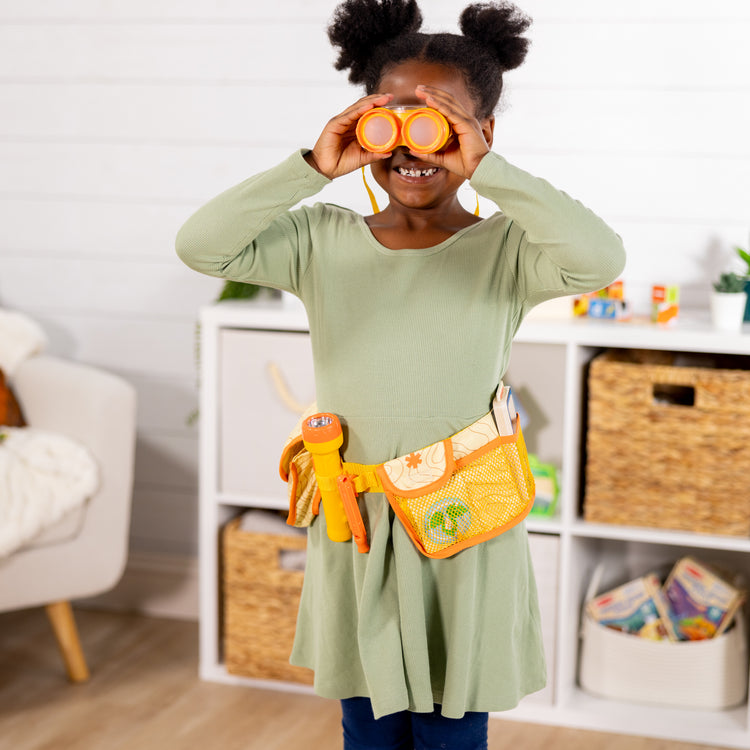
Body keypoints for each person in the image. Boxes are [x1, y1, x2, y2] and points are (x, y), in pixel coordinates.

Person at [176, 1, 625, 747]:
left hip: (462, 524)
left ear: (482, 135)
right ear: (363, 124)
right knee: (367, 719)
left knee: (453, 720)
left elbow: (600, 259)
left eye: (440, 126)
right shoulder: (319, 239)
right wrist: (313, 166)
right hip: (359, 525)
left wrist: (490, 168)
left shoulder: (508, 249)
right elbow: (202, 245)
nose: (415, 147)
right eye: (394, 120)